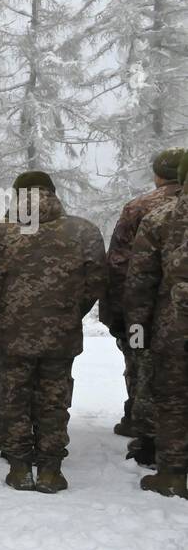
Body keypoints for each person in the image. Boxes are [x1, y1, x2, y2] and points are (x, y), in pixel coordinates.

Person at [0, 171, 105, 492]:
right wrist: (69, 313)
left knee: (14, 399)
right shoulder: (83, 231)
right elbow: (96, 283)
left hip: (11, 336)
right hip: (61, 335)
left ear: (17, 196)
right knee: (54, 401)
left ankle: (19, 468)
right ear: (52, 193)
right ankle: (50, 470)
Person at [104, 148, 183, 467]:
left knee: (143, 365)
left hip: (149, 309)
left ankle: (144, 430)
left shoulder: (140, 208)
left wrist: (119, 315)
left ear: (158, 174)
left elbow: (119, 264)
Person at [124, 154, 188, 497]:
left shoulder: (159, 218)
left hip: (173, 327)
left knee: (173, 399)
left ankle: (173, 475)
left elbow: (139, 283)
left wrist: (136, 332)